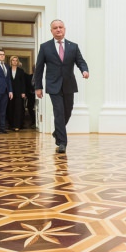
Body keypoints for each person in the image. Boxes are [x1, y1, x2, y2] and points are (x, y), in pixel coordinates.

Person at [34, 19, 89, 153]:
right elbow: (39, 69)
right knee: (58, 112)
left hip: (69, 84)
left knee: (68, 111)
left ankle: (57, 132)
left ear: (64, 29)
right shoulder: (45, 47)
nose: (58, 30)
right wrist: (38, 87)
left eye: (60, 27)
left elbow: (80, 61)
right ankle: (62, 142)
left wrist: (84, 70)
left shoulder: (73, 46)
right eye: (55, 28)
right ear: (51, 31)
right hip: (53, 85)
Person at [7, 56, 26, 131]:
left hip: (19, 93)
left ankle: (17, 125)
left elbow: (23, 82)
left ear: (17, 62)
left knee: (18, 109)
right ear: (11, 61)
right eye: (13, 60)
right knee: (10, 108)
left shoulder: (21, 71)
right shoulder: (7, 70)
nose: (15, 62)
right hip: (10, 93)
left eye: (16, 60)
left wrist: (23, 92)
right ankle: (11, 125)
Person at [24, 64, 36, 129]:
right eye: (33, 68)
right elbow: (27, 86)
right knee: (29, 107)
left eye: (36, 68)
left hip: (38, 95)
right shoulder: (29, 77)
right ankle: (33, 120)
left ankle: (36, 122)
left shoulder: (41, 77)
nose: (35, 69)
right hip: (30, 95)